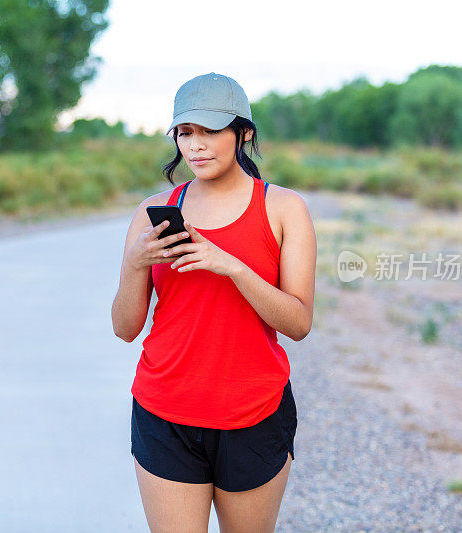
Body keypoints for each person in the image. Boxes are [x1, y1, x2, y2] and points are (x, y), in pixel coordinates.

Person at [111, 72, 317, 532]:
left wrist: (233, 267)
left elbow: (299, 322)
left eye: (211, 131)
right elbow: (125, 328)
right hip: (164, 412)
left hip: (254, 413)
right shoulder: (153, 211)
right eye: (186, 133)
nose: (196, 146)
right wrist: (135, 263)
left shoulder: (283, 209)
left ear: (243, 133)